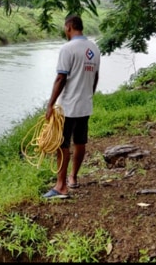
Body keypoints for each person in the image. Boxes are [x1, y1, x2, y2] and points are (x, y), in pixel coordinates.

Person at [42, 14, 101, 199]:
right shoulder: (94, 49)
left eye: (64, 28)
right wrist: (88, 95)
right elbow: (95, 77)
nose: (64, 31)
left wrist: (50, 104)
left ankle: (60, 187)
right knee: (80, 141)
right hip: (85, 104)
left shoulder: (68, 49)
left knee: (62, 144)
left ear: (69, 27)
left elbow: (61, 78)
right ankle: (73, 178)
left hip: (68, 106)